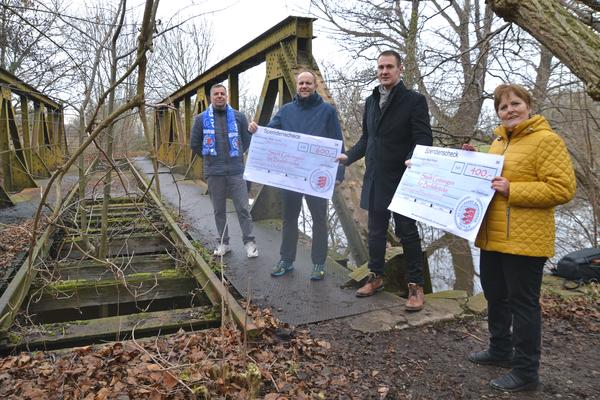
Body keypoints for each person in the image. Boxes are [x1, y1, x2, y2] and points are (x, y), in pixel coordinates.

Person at [465, 84, 576, 392]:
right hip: (492, 236)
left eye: (515, 104)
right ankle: (500, 349)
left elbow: (562, 189)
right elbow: (490, 177)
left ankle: (526, 371)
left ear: (528, 105)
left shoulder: (547, 141)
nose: (509, 110)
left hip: (526, 241)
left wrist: (512, 189)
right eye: (503, 107)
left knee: (523, 305)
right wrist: (473, 162)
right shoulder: (498, 142)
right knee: (495, 296)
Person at [337, 50, 432, 311]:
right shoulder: (370, 100)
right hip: (376, 177)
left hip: (403, 178)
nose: (384, 71)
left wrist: (415, 158)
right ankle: (376, 277)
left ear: (400, 69)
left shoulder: (414, 100)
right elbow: (368, 139)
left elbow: (423, 138)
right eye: (380, 67)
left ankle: (415, 286)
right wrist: (349, 156)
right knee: (376, 233)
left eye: (389, 66)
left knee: (407, 233)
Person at [248, 70, 344, 281]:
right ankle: (286, 260)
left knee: (319, 220)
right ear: (297, 85)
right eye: (301, 83)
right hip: (291, 176)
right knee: (289, 218)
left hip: (315, 177)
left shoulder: (327, 111)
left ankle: (318, 264)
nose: (304, 87)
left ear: (315, 86)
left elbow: (338, 143)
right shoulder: (286, 110)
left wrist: (339, 174)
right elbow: (270, 134)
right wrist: (256, 130)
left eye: (308, 83)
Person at [190, 83, 258, 258]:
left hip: (236, 170)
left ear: (226, 96)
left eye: (222, 94)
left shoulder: (239, 117)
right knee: (219, 210)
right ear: (211, 98)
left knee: (243, 208)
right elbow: (195, 144)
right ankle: (223, 243)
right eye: (216, 94)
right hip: (214, 171)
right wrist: (210, 157)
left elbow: (246, 140)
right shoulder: (201, 119)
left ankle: (249, 242)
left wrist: (236, 155)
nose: (219, 96)